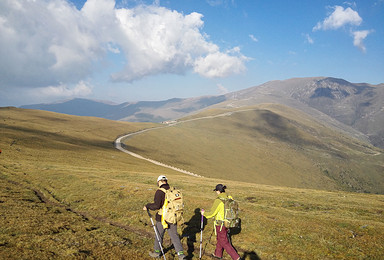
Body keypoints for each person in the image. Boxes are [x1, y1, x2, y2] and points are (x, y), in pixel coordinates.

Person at [143, 175, 186, 259]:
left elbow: (156, 206)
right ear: (166, 181)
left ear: (159, 182)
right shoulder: (172, 190)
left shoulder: (160, 191)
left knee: (159, 235)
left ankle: (156, 253)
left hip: (162, 218)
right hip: (173, 217)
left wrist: (147, 205)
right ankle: (181, 255)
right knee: (174, 235)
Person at [201, 184, 241, 260]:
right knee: (220, 239)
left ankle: (236, 257)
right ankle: (218, 254)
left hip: (220, 224)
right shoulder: (229, 198)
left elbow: (212, 213)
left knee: (224, 242)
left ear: (218, 191)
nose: (216, 192)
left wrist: (204, 214)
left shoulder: (218, 201)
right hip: (228, 222)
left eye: (216, 191)